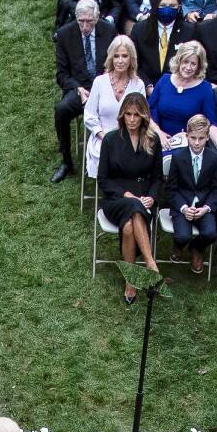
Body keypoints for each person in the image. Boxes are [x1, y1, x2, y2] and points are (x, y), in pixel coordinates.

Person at [97, 92, 163, 303]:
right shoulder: (111, 140)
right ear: (122, 115)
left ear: (144, 116)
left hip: (144, 199)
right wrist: (126, 194)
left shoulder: (152, 140)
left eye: (136, 115)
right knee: (133, 206)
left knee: (128, 228)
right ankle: (150, 263)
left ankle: (130, 281)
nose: (132, 119)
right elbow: (103, 180)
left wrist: (152, 198)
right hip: (115, 198)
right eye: (128, 114)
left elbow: (157, 178)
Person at [53, 0, 114, 183]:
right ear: (76, 18)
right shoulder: (65, 35)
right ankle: (66, 161)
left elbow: (115, 63)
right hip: (80, 88)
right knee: (61, 110)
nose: (85, 26)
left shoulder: (109, 31)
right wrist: (78, 88)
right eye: (81, 21)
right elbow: (61, 74)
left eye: (90, 21)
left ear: (97, 17)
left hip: (105, 86)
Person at [84, 36, 147, 179]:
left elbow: (142, 117)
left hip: (131, 139)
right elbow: (89, 116)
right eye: (116, 56)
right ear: (110, 58)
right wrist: (105, 137)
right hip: (103, 139)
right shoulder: (99, 82)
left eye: (124, 56)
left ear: (131, 58)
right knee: (112, 158)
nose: (120, 60)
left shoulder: (139, 85)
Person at [149, 41, 217, 158]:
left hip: (187, 146)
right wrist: (158, 133)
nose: (188, 67)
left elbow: (211, 124)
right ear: (179, 60)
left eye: (193, 64)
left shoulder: (204, 89)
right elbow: (146, 113)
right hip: (159, 141)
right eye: (185, 62)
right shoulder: (164, 80)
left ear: (199, 66)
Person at [165, 114, 217, 274]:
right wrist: (183, 208)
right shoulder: (178, 157)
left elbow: (216, 189)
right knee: (182, 235)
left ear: (207, 137)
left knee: (210, 233)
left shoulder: (214, 158)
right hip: (182, 204)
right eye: (193, 138)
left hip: (203, 205)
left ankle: (196, 249)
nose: (196, 143)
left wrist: (206, 208)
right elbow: (171, 189)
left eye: (201, 138)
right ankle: (178, 245)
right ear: (186, 135)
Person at [132, 0, 192, 89]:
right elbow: (134, 63)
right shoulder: (140, 29)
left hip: (177, 89)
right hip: (145, 89)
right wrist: (148, 86)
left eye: (172, 6)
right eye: (163, 5)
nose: (167, 9)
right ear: (155, 6)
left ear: (179, 7)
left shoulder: (189, 31)